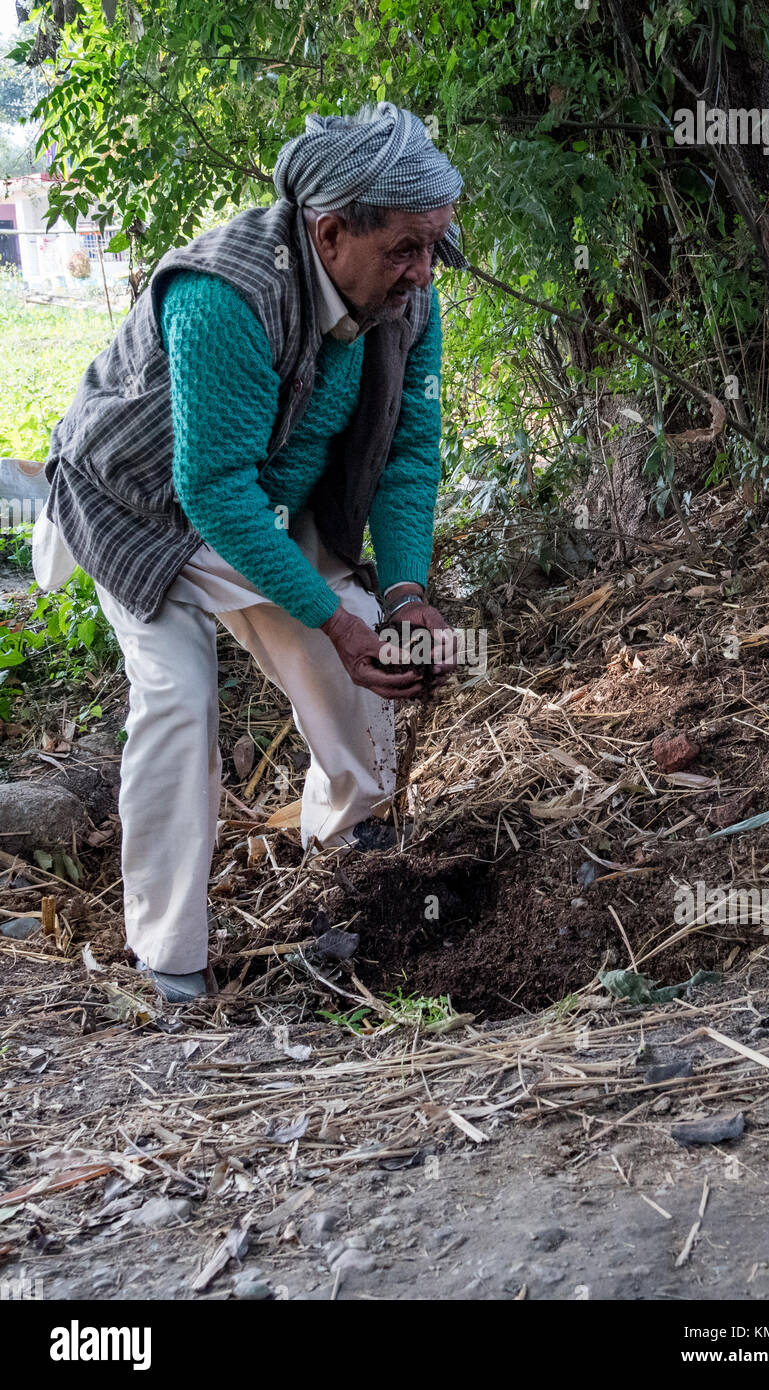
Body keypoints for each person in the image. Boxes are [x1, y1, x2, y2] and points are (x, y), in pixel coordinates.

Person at [31, 101, 466, 1002]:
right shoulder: (224, 295)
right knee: (181, 701)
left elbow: (409, 450)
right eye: (406, 250)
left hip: (262, 505)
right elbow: (211, 493)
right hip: (136, 506)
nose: (424, 273)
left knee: (355, 640)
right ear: (331, 230)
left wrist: (408, 589)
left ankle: (351, 863)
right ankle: (171, 962)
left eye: (435, 247)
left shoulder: (404, 297)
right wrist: (334, 621)